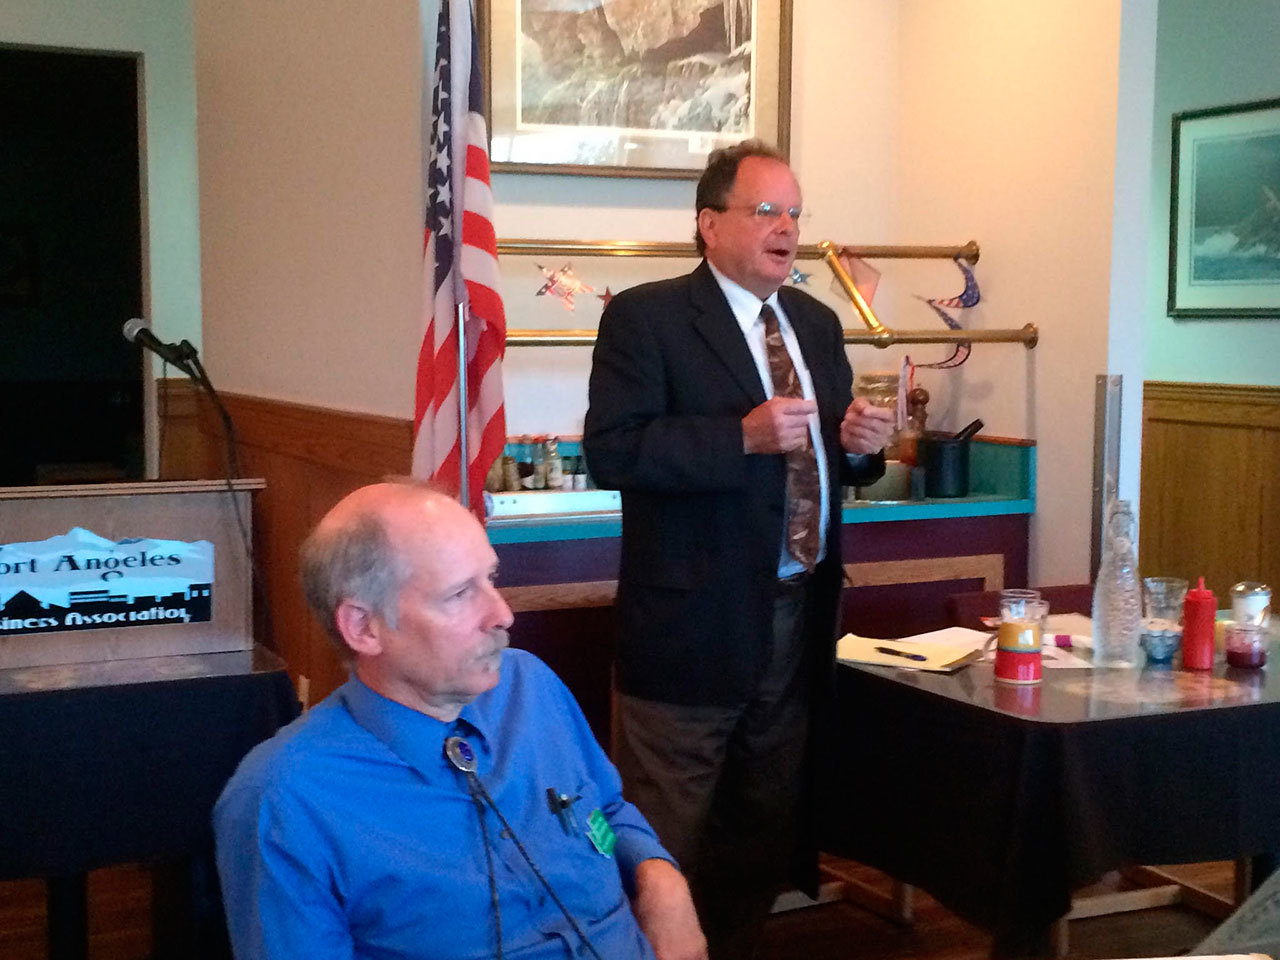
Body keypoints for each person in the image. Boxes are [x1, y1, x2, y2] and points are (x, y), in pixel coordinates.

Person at [583, 140, 896, 959]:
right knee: (664, 834)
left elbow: (837, 461)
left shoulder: (818, 325)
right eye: (766, 211)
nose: (786, 228)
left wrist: (862, 445)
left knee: (763, 821)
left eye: (795, 212)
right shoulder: (646, 317)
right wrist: (740, 438)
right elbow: (614, 451)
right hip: (691, 627)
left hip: (796, 618)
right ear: (708, 223)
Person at [213, 482, 706, 960]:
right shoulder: (284, 799)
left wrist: (660, 877)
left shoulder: (529, 685)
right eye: (459, 594)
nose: (503, 614)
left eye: (491, 579)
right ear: (364, 627)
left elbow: (607, 808)